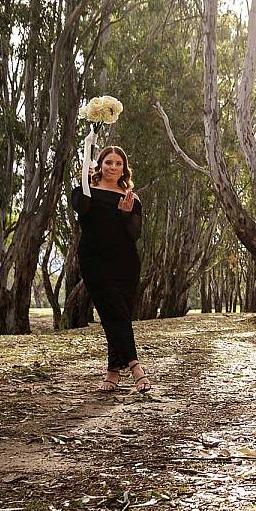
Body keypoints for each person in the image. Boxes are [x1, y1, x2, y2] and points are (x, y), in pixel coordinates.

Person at [71, 146, 150, 393]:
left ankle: (113, 372)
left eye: (118, 164)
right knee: (112, 311)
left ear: (124, 168)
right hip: (94, 261)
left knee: (118, 316)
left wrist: (126, 215)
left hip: (125, 263)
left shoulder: (131, 198)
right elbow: (82, 210)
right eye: (108, 163)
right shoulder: (85, 192)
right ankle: (136, 368)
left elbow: (134, 235)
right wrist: (85, 175)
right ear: (100, 165)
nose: (113, 167)